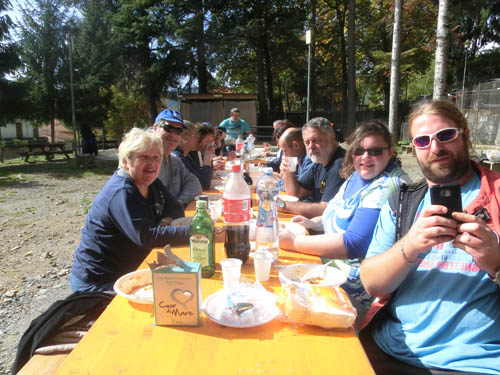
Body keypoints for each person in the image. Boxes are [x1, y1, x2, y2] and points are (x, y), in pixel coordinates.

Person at [359, 100, 500, 374]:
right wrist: (409, 247)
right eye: (423, 141)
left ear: (465, 135)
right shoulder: (402, 203)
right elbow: (372, 283)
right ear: (413, 148)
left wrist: (496, 263)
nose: (435, 148)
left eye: (446, 135)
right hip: (390, 349)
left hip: (475, 364)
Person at [279, 122, 410, 315]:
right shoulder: (357, 174)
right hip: (328, 267)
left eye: (375, 151)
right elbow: (335, 211)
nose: (365, 157)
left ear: (391, 151)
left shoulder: (388, 185)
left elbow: (354, 242)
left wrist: (296, 241)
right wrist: (311, 223)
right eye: (359, 150)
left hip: (357, 291)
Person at [70, 128, 189, 292]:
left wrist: (165, 221)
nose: (152, 163)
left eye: (156, 158)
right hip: (99, 282)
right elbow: (147, 237)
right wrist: (198, 232)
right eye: (143, 157)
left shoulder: (150, 182)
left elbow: (175, 207)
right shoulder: (122, 192)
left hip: (128, 273)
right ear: (126, 162)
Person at [279, 117, 345, 218]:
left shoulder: (340, 163)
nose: (311, 146)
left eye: (316, 140)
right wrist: (289, 169)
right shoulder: (319, 162)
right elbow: (295, 194)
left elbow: (326, 209)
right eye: (307, 142)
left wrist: (282, 205)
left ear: (332, 137)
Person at [153, 109, 202, 207]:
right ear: (155, 128)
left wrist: (179, 203)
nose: (174, 135)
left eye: (179, 131)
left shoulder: (175, 160)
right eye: (169, 128)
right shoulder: (146, 162)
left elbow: (195, 184)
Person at [173, 122, 216, 190]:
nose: (198, 139)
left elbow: (203, 175)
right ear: (187, 138)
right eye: (196, 136)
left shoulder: (186, 157)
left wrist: (209, 159)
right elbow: (203, 185)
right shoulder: (178, 158)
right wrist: (207, 161)